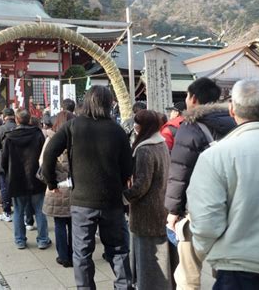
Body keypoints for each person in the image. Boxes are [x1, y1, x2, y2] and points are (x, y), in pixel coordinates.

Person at [42, 86, 133, 290]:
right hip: (112, 201)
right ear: (109, 104)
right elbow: (128, 167)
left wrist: (51, 182)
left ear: (88, 102)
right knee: (118, 250)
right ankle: (124, 286)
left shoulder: (73, 126)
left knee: (82, 253)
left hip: (82, 201)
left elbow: (49, 153)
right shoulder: (117, 130)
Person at [187, 79, 259, 290]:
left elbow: (206, 221)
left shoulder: (216, 155)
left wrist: (209, 250)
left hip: (240, 267)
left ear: (232, 109)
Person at [165, 77, 236, 289]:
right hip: (231, 207)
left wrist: (173, 211)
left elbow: (180, 171)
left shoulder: (190, 127)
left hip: (197, 209)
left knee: (188, 271)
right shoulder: (235, 124)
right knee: (226, 271)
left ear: (193, 98)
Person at [123, 110, 172, 290]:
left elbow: (142, 184)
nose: (135, 126)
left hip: (146, 212)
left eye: (137, 123)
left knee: (148, 259)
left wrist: (124, 196)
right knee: (160, 256)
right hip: (161, 207)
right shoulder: (161, 143)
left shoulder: (145, 149)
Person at [1, 109, 50, 250]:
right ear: (29, 120)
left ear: (16, 120)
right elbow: (44, 156)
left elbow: (3, 160)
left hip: (16, 178)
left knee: (18, 211)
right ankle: (42, 239)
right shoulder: (37, 134)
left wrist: (7, 173)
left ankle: (20, 240)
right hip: (36, 178)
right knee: (40, 210)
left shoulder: (9, 137)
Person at [40, 110, 75, 268]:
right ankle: (75, 255)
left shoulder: (51, 139)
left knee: (60, 223)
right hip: (76, 187)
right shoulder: (78, 138)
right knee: (74, 223)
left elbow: (44, 163)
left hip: (58, 187)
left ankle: (63, 257)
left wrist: (51, 183)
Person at [0, 108, 17, 222]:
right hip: (19, 161)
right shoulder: (19, 128)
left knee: (4, 188)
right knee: (20, 186)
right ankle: (23, 212)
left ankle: (7, 212)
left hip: (3, 162)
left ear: (3, 117)